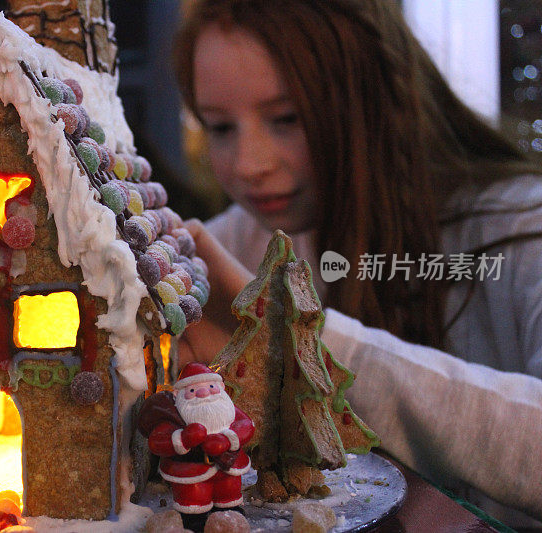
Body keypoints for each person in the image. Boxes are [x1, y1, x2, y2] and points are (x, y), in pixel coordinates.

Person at [171, 0, 542, 526]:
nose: (251, 164)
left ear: (377, 97)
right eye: (220, 127)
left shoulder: (522, 231)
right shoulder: (243, 240)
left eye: (287, 118)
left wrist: (305, 348)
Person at [138, 362, 254, 531]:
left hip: (228, 467)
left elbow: (247, 424)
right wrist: (184, 438)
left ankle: (228, 510)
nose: (204, 393)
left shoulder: (226, 409)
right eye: (192, 391)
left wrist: (228, 440)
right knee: (193, 498)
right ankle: (193, 518)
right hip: (191, 470)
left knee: (228, 491)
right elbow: (157, 441)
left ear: (221, 387)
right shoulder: (173, 416)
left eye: (211, 386)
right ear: (178, 394)